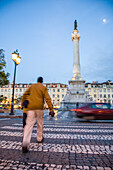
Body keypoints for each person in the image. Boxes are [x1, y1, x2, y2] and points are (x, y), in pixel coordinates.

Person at [21, 76, 54, 153]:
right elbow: (47, 98)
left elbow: (24, 94)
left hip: (31, 107)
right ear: (42, 81)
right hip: (39, 108)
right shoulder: (43, 87)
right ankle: (39, 138)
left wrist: (24, 102)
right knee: (40, 123)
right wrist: (51, 109)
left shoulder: (32, 86)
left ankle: (25, 143)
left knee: (29, 125)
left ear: (37, 81)